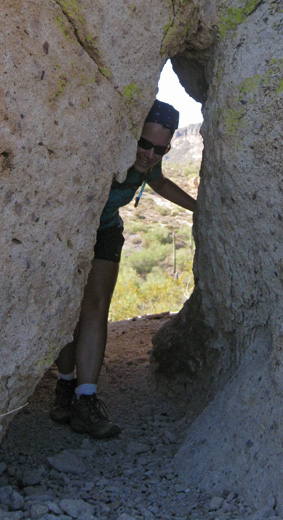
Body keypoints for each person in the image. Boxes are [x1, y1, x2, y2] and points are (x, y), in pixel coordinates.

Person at [50, 100, 196, 439]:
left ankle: (85, 401)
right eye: (143, 144)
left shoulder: (149, 165)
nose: (148, 154)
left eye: (160, 149)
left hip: (106, 231)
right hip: (72, 229)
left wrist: (198, 208)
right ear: (132, 135)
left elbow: (159, 183)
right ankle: (65, 384)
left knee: (96, 307)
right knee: (66, 312)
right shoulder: (108, 151)